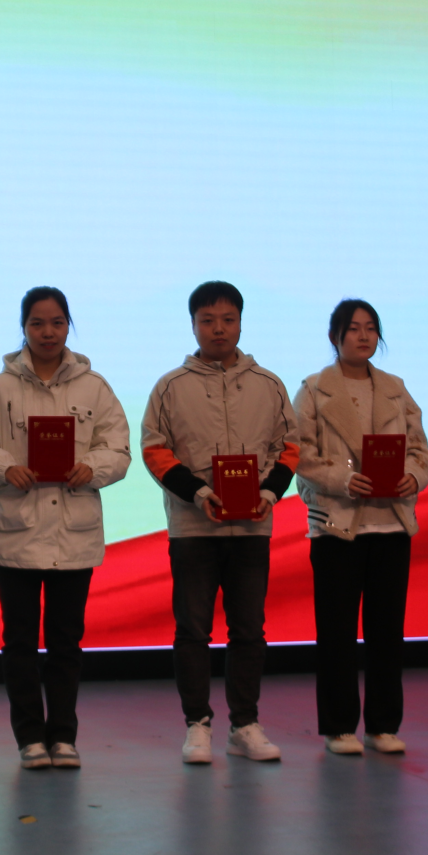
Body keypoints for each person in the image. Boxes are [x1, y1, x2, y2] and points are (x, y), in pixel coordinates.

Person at [0, 287, 130, 770]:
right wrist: (5, 467)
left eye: (57, 322)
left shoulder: (95, 387)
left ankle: (64, 737)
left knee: (65, 644)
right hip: (16, 532)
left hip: (73, 534)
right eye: (37, 323)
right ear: (24, 328)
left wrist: (93, 467)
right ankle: (30, 738)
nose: (48, 332)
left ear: (68, 326)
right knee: (19, 643)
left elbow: (118, 449)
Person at [141, 281, 299, 765]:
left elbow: (290, 446)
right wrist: (198, 493)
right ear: (192, 325)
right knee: (193, 630)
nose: (218, 329)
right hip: (194, 528)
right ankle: (197, 725)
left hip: (252, 527)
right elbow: (154, 450)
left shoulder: (269, 384)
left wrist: (270, 492)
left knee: (249, 630)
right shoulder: (171, 386)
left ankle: (245, 725)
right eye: (207, 320)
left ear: (241, 323)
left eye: (228, 319)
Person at [292, 299, 428, 757]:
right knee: (337, 633)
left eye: (371, 328)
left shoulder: (395, 388)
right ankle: (339, 728)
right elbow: (299, 454)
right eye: (353, 328)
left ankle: (383, 725)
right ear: (335, 336)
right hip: (338, 525)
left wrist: (415, 476)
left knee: (386, 632)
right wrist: (342, 478)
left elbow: (419, 449)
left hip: (391, 523)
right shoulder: (314, 390)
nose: (364, 336)